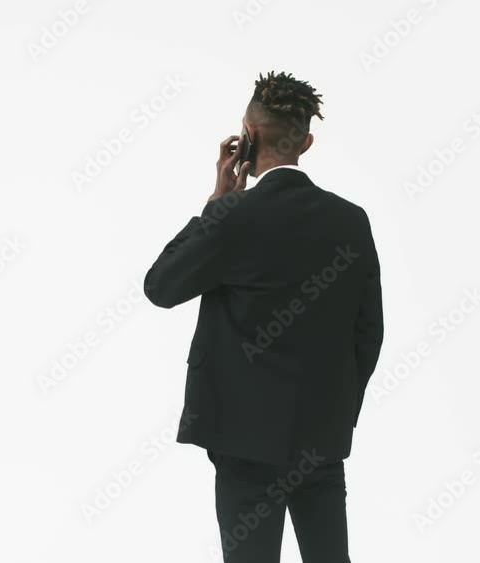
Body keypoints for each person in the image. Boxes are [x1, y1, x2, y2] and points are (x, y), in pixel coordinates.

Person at [143, 71, 384, 563]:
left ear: (248, 136)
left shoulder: (233, 216)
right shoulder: (350, 220)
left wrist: (215, 203)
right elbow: (369, 333)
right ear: (306, 143)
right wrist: (336, 414)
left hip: (242, 441)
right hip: (321, 440)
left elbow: (161, 286)